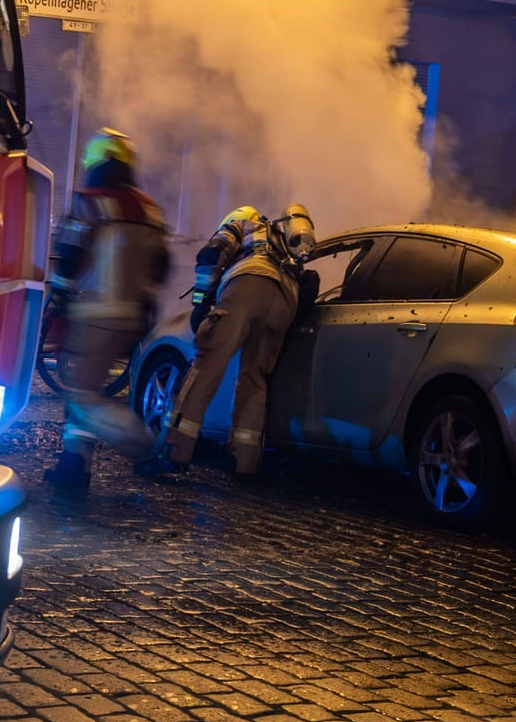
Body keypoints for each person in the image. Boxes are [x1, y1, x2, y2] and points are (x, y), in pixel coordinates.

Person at [140, 202, 316, 479]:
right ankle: (246, 464)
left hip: (248, 285)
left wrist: (200, 305)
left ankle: (174, 454)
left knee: (205, 367)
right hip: (284, 301)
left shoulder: (243, 222)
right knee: (254, 379)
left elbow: (212, 254)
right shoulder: (282, 238)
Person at [41, 129, 170, 490]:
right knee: (87, 391)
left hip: (94, 314)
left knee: (82, 397)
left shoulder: (90, 202)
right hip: (133, 317)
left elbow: (69, 257)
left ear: (97, 161)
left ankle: (146, 446)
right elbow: (162, 267)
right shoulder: (149, 208)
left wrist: (61, 299)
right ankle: (73, 466)